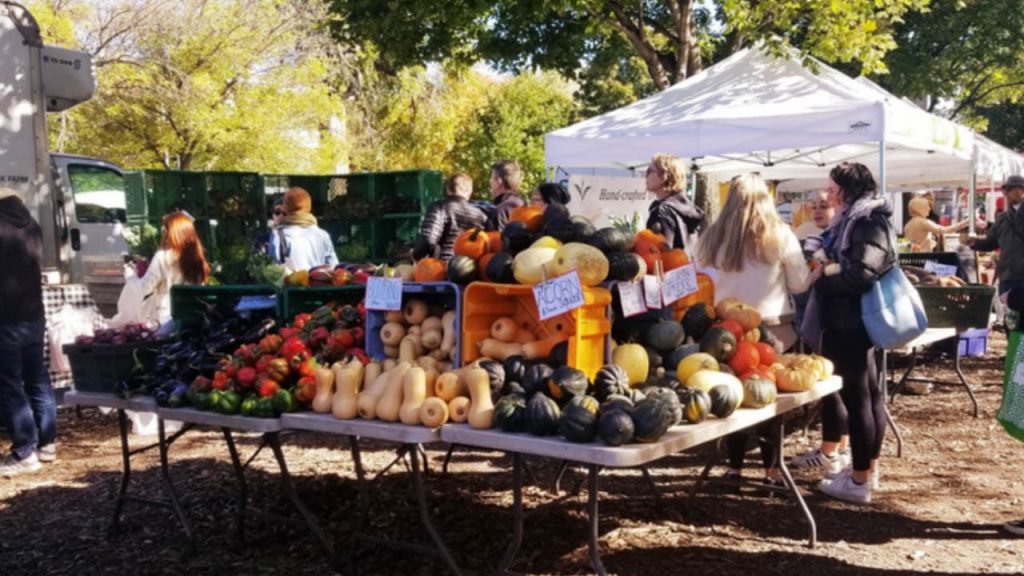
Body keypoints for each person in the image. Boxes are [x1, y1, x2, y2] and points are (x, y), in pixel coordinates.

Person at [695, 173, 812, 487]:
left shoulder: (709, 238)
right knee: (769, 400)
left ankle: (734, 467)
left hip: (722, 329)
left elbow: (699, 282)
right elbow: (800, 283)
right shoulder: (780, 235)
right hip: (774, 328)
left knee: (731, 397)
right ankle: (772, 470)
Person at [802, 162, 894, 504]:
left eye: (832, 187)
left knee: (861, 400)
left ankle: (858, 481)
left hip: (852, 322)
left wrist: (825, 281)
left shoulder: (866, 221)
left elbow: (862, 273)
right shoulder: (860, 219)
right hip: (852, 320)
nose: (828, 194)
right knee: (868, 398)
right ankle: (865, 470)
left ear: (843, 189)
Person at [790, 185, 852, 477]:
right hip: (820, 317)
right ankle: (839, 447)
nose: (817, 210)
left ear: (837, 207)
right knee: (835, 384)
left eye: (824, 205)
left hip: (832, 320)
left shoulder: (838, 239)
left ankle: (832, 451)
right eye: (814, 205)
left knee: (834, 384)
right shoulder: (815, 239)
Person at [0, 188, 55, 477]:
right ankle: (47, 443)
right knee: (38, 378)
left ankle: (24, 451)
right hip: (34, 314)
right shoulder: (32, 226)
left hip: (6, 317)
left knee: (10, 384)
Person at [139, 212, 212, 325]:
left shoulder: (162, 257)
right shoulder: (197, 258)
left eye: (166, 230)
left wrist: (131, 278)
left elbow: (144, 288)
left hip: (165, 320)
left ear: (171, 232)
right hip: (193, 318)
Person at [967, 175, 1024, 303]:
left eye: (1008, 190)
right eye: (1004, 191)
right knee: (1009, 318)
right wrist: (974, 243)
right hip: (1008, 275)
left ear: (1020, 191)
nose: (1005, 194)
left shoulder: (1008, 217)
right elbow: (991, 242)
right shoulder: (1003, 218)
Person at [413, 173, 488, 261]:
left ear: (448, 189)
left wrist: (416, 255)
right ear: (469, 192)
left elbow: (428, 239)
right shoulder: (481, 216)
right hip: (469, 269)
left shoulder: (439, 207)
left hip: (441, 267)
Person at [645, 153, 704, 251]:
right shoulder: (689, 207)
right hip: (688, 264)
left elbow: (659, 253)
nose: (646, 175)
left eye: (649, 171)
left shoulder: (662, 211)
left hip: (672, 266)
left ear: (664, 176)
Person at [269, 187, 338, 272]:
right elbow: (333, 266)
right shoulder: (323, 235)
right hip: (319, 284)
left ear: (286, 208)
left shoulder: (278, 235)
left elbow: (274, 269)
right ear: (308, 207)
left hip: (293, 284)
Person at [489, 160, 525, 231]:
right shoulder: (525, 205)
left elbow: (495, 240)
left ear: (499, 182)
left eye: (492, 178)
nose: (490, 181)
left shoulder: (500, 211)